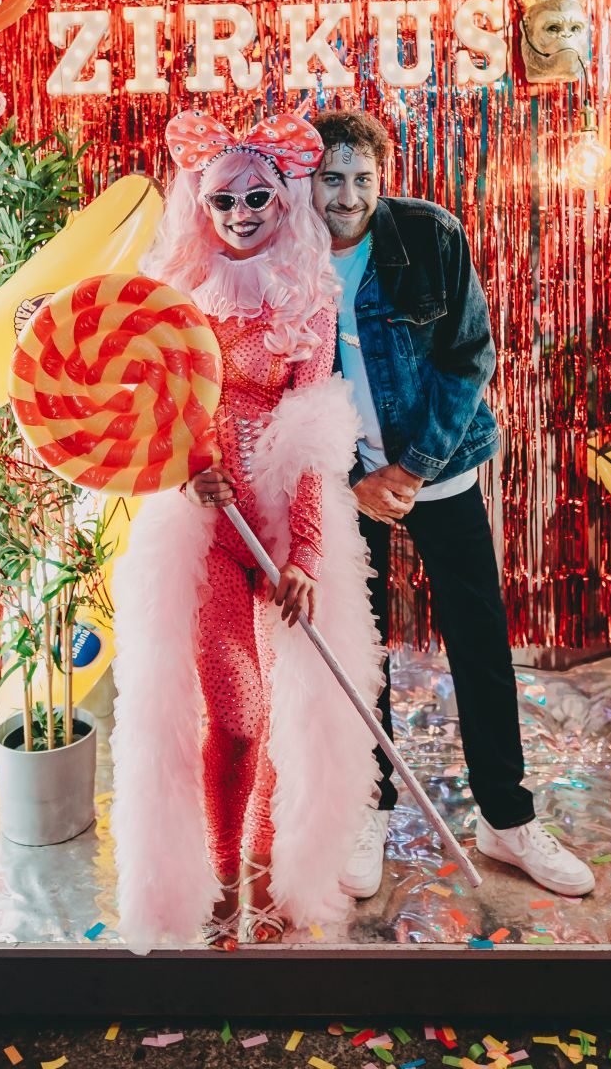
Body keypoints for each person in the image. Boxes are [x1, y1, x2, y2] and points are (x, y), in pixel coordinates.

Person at [110, 110, 383, 955]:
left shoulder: (307, 300)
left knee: (289, 718)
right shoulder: (174, 297)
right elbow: (146, 411)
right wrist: (182, 470)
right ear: (199, 203)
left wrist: (305, 554)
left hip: (283, 529)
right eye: (221, 199)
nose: (239, 213)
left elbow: (310, 438)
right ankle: (221, 882)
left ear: (284, 199)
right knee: (236, 716)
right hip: (204, 535)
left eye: (257, 196)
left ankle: (264, 878)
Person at [309, 107, 595, 901]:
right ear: (307, 180)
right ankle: (369, 808)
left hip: (438, 472)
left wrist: (411, 468)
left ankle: (506, 819)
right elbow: (283, 386)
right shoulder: (283, 254)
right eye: (331, 178)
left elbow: (469, 356)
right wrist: (354, 480)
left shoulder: (429, 235)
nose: (347, 196)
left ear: (382, 178)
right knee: (360, 650)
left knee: (479, 642)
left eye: (362, 178)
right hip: (345, 487)